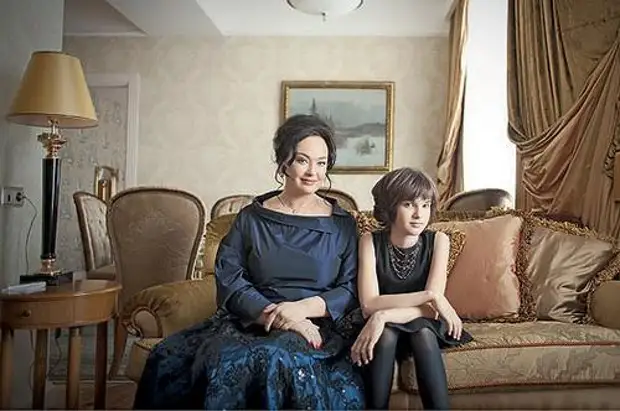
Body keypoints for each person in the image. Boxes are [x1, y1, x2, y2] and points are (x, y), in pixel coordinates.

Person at [133, 114, 365, 410]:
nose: (313, 172)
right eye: (302, 160)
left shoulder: (342, 224)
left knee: (274, 358)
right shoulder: (252, 218)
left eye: (321, 163)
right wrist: (278, 316)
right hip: (253, 320)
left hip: (316, 325)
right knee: (191, 358)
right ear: (283, 162)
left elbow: (349, 288)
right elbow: (230, 278)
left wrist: (300, 311)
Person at [350, 167, 473, 410]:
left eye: (425, 205)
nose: (419, 214)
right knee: (385, 335)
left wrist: (384, 315)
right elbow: (369, 304)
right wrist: (430, 295)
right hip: (384, 327)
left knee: (423, 332)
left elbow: (430, 311)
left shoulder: (439, 241)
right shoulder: (369, 241)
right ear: (391, 207)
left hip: (421, 323)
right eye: (409, 204)